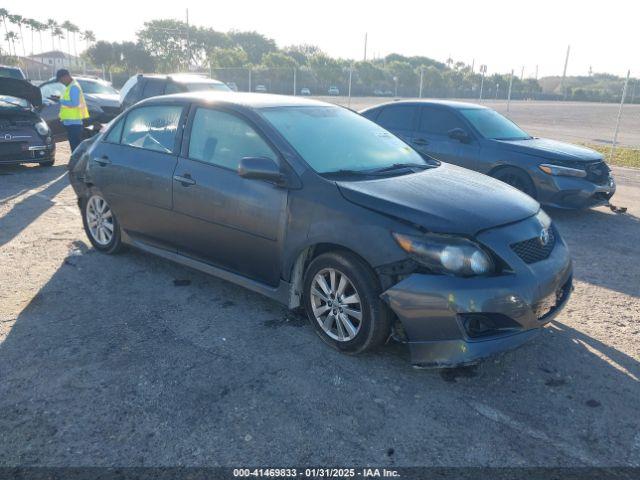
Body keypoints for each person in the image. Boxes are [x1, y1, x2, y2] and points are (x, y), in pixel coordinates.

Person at [54, 69, 89, 153]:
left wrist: (60, 100)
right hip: (71, 122)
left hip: (74, 122)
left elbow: (74, 104)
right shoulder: (70, 86)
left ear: (66, 76)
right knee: (74, 145)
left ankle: (76, 164)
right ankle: (76, 163)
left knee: (75, 146)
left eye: (61, 80)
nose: (61, 82)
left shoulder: (73, 87)